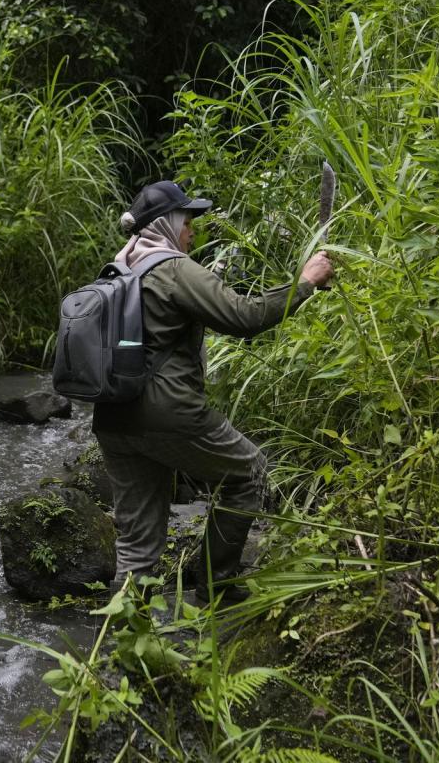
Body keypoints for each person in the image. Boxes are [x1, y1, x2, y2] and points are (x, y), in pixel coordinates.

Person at [92, 179, 334, 603]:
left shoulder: (116, 270)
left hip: (113, 418)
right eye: (187, 221)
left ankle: (122, 648)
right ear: (166, 224)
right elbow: (244, 316)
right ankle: (215, 582)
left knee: (137, 545)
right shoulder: (172, 269)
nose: (192, 231)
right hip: (168, 414)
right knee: (249, 472)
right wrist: (306, 282)